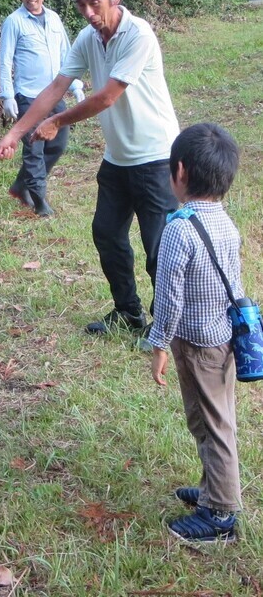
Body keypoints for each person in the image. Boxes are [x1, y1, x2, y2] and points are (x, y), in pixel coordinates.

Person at [0, 0, 179, 334]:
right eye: (81, 5)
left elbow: (106, 96)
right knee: (107, 234)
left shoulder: (137, 34)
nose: (88, 13)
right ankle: (128, 313)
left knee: (159, 246)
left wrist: (58, 123)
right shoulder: (87, 38)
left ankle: (166, 326)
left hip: (155, 156)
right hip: (117, 159)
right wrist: (16, 132)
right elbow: (55, 88)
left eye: (93, 3)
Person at [149, 122, 243, 544]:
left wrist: (159, 345)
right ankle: (211, 492)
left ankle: (221, 516)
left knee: (212, 425)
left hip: (198, 345)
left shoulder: (179, 229)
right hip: (223, 338)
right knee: (209, 420)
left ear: (180, 172)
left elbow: (167, 299)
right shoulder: (225, 222)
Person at [0, 0, 84, 216]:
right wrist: (7, 95)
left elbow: (66, 57)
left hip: (54, 95)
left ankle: (21, 185)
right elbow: (5, 62)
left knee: (57, 144)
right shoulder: (14, 21)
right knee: (34, 150)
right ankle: (39, 200)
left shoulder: (55, 19)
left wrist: (76, 86)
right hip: (28, 95)